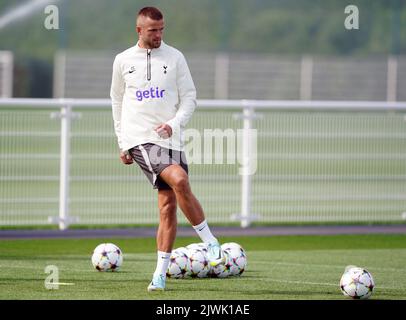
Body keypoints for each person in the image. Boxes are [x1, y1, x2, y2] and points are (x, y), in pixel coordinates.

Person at [110, 6, 224, 292]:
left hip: (171, 138)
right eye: (152, 30)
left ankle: (159, 275)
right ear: (139, 30)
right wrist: (122, 141)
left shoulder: (175, 58)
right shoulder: (123, 60)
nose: (158, 35)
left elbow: (190, 98)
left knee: (167, 206)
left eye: (161, 29)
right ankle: (210, 240)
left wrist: (174, 124)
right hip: (140, 138)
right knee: (180, 179)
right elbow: (117, 101)